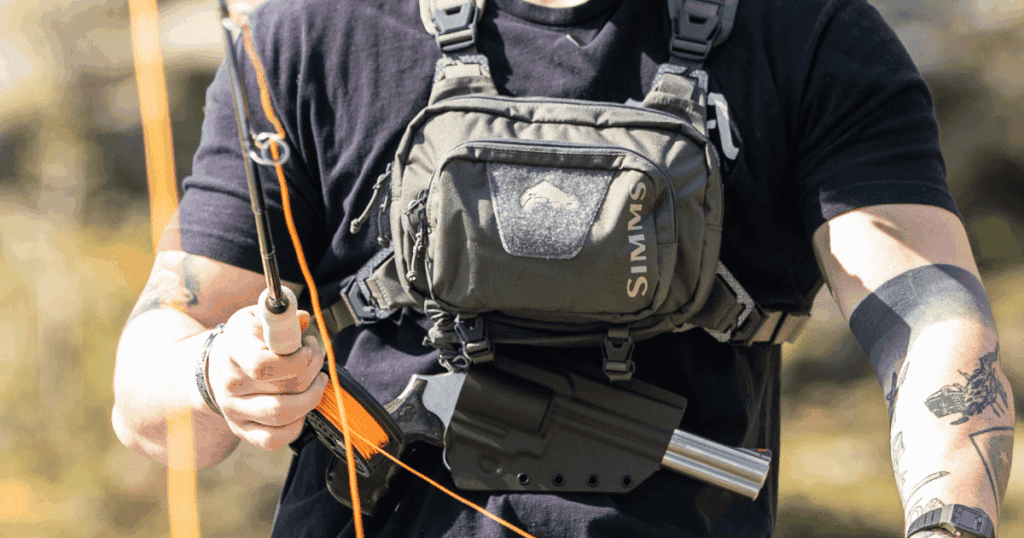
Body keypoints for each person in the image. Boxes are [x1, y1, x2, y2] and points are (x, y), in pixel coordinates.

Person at [112, 0, 1015, 536]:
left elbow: (931, 321)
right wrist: (215, 372)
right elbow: (153, 393)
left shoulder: (810, 33)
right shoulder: (314, 31)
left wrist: (950, 524)